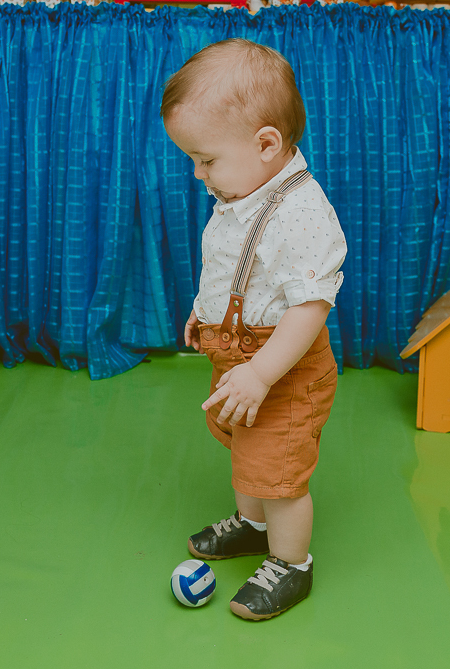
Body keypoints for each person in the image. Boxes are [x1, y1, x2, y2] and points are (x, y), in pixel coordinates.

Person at [161, 39, 347, 620]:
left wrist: (262, 374)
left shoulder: (300, 212)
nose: (197, 173)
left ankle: (292, 564)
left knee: (281, 470)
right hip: (239, 357)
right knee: (246, 447)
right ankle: (250, 524)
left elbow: (309, 307)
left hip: (281, 369)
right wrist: (205, 309)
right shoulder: (240, 190)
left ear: (266, 144)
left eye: (206, 159)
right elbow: (226, 263)